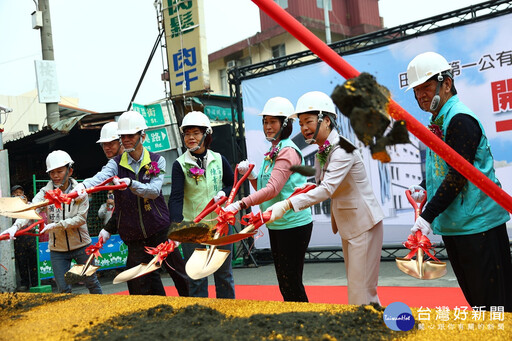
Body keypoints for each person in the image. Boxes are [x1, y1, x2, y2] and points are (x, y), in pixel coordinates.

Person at [405, 51, 512, 311]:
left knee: (494, 305)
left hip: (478, 226)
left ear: (447, 83)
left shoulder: (459, 119)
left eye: (426, 87)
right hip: (458, 226)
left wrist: (427, 216)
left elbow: (458, 175)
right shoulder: (439, 120)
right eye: (416, 91)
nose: (421, 96)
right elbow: (441, 170)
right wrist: (423, 186)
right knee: (479, 303)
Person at [265, 91, 384, 305]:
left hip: (364, 224)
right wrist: (301, 191)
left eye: (308, 121)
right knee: (360, 290)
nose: (303, 128)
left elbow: (327, 189)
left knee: (361, 292)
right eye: (301, 123)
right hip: (351, 225)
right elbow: (320, 184)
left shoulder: (342, 150)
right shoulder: (323, 149)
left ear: (326, 120)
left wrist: (287, 204)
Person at [72, 110, 189, 296]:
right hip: (133, 235)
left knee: (179, 273)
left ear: (142, 136)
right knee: (136, 282)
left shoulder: (157, 161)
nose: (125, 139)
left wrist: (131, 184)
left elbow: (154, 191)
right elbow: (100, 178)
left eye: (130, 135)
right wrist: (82, 187)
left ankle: (193, 307)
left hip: (159, 229)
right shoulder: (115, 164)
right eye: (122, 136)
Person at [224, 97, 313, 302]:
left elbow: (272, 190)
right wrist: (253, 176)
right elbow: (266, 188)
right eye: (265, 121)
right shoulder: (273, 151)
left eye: (273, 121)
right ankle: (295, 321)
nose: (267, 126)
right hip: (277, 224)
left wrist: (240, 203)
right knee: (284, 281)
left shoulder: (287, 151)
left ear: (284, 124)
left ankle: (305, 322)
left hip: (294, 224)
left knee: (291, 280)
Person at [2, 151, 103, 294]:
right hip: (57, 250)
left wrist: (57, 225)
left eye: (59, 171)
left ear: (70, 171)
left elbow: (81, 219)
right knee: (63, 288)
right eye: (52, 172)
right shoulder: (45, 193)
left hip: (82, 246)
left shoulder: (80, 191)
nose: (55, 176)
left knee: (91, 282)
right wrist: (15, 227)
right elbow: (31, 209)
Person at [168, 111, 236, 299]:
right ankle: (201, 318)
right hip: (193, 228)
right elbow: (175, 198)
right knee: (196, 277)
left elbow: (233, 183)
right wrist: (176, 226)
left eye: (196, 133)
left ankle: (228, 314)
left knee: (224, 275)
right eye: (187, 133)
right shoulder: (179, 164)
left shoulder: (219, 159)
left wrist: (224, 192)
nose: (191, 137)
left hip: (220, 226)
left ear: (206, 134)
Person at [10, 185, 38, 291]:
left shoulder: (30, 204)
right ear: (12, 195)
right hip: (18, 237)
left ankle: (35, 282)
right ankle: (24, 283)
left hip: (30, 235)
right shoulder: (10, 207)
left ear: (23, 194)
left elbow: (33, 216)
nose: (18, 195)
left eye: (20, 193)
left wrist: (25, 205)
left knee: (33, 259)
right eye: (15, 193)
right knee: (21, 261)